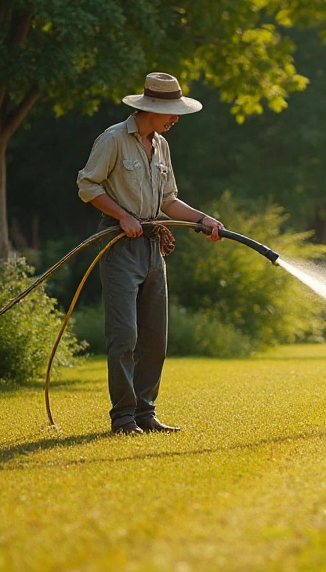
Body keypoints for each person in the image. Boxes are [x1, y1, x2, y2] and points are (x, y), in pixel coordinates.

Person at [76, 72, 224, 435]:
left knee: (155, 336)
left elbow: (169, 201)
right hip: (118, 244)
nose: (175, 119)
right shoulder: (112, 140)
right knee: (125, 335)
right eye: (171, 112)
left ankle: (146, 413)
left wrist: (203, 218)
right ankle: (124, 418)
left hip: (152, 246)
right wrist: (122, 215)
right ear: (151, 107)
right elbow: (86, 184)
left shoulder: (161, 146)